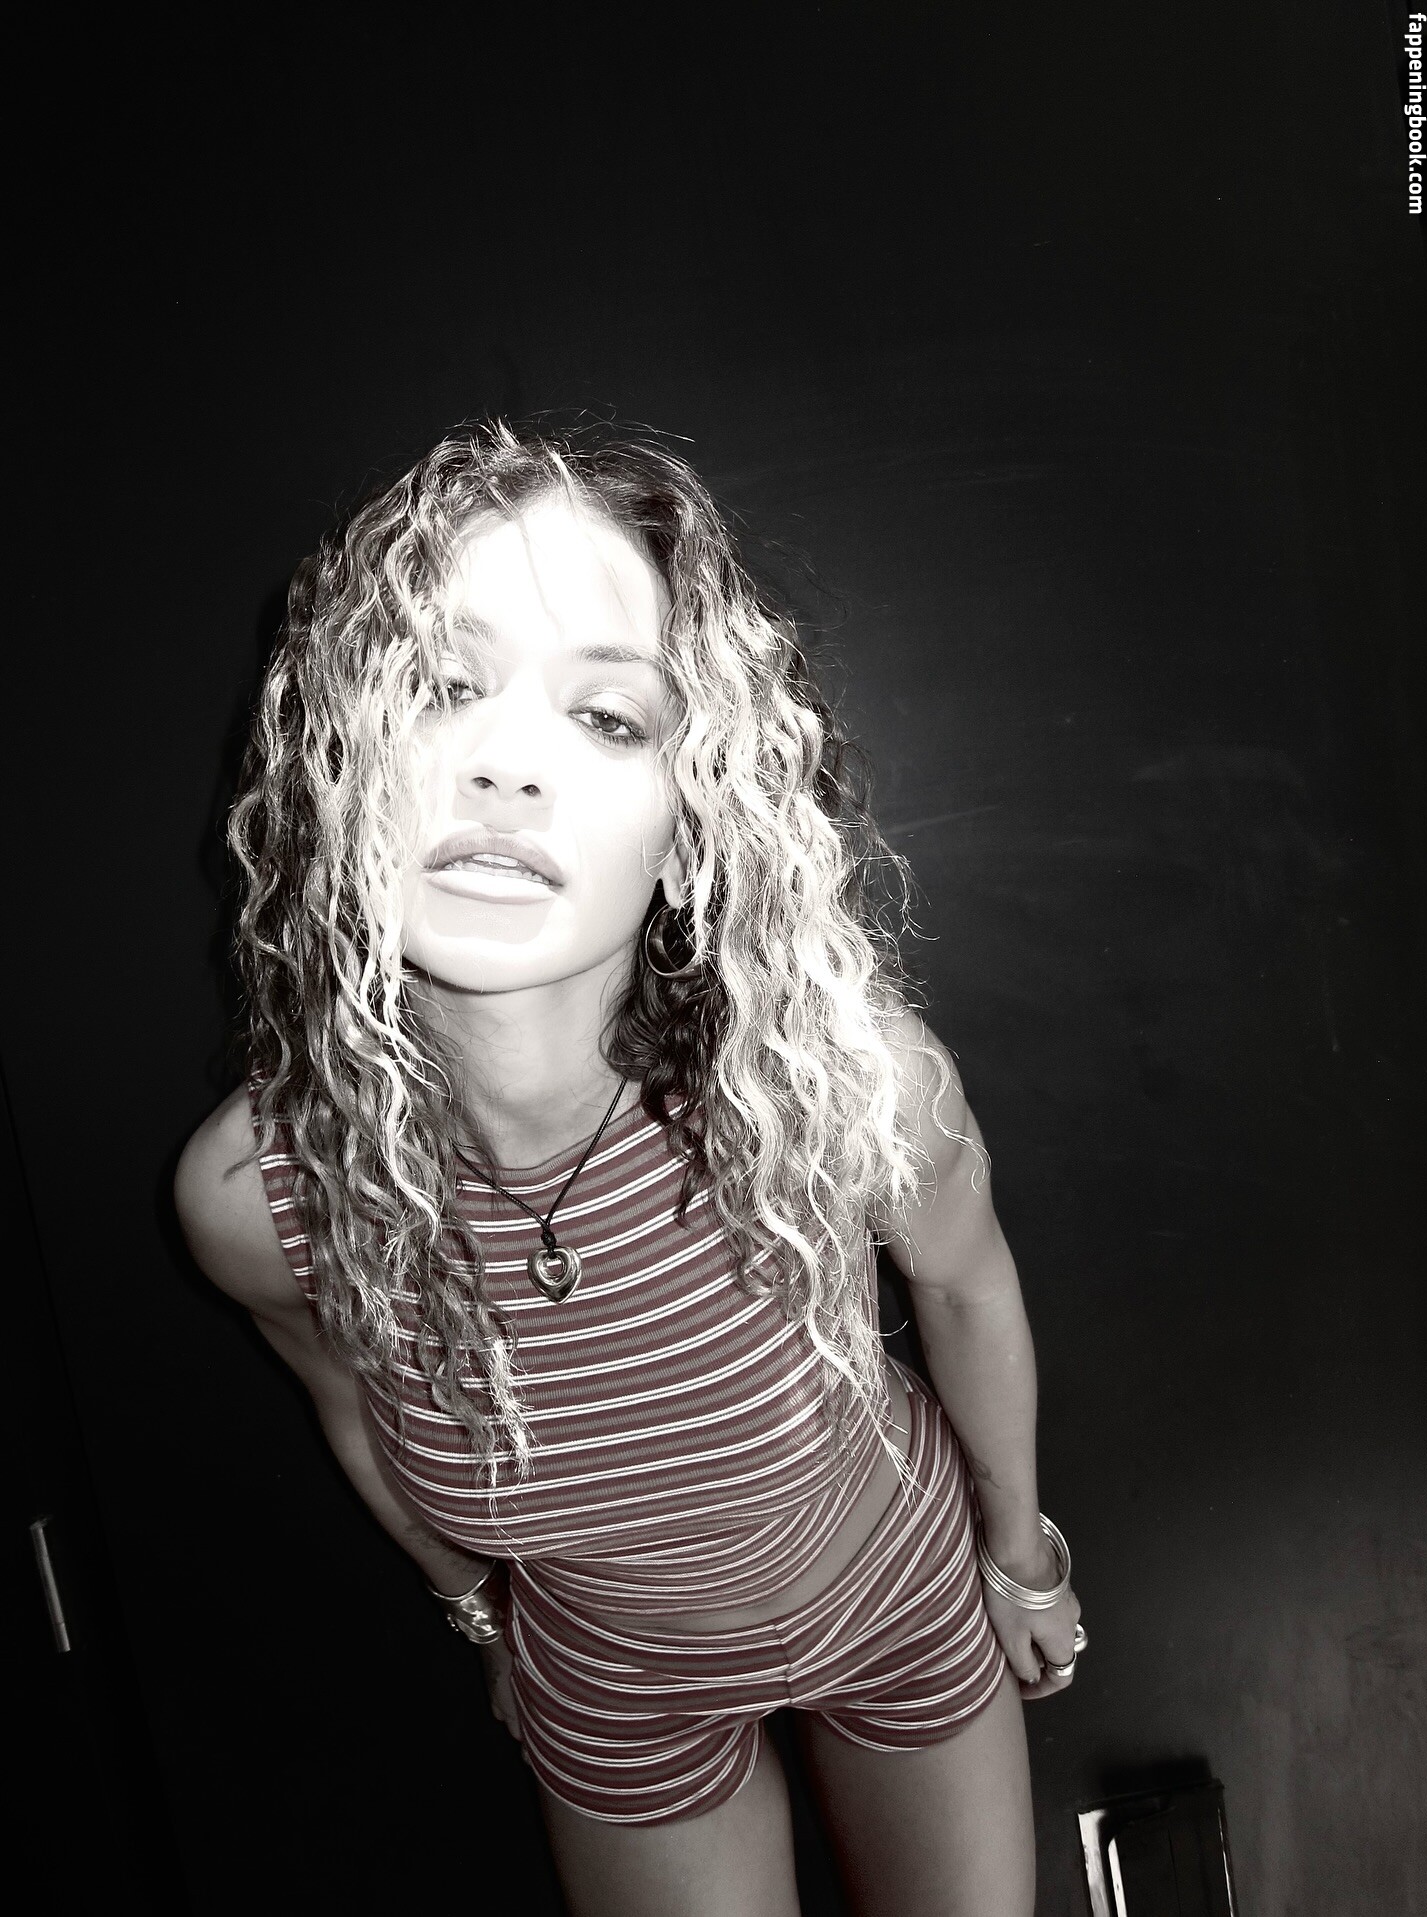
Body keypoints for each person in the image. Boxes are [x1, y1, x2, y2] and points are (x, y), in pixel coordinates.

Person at [175, 421, 1083, 1917]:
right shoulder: (256, 1200)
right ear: (340, 765)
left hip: (903, 1602)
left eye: (606, 718)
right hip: (611, 1692)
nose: (503, 763)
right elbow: (350, 1406)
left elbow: (970, 1289)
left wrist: (1021, 1553)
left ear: (687, 826)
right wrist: (481, 1615)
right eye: (441, 685)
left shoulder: (843, 1081)